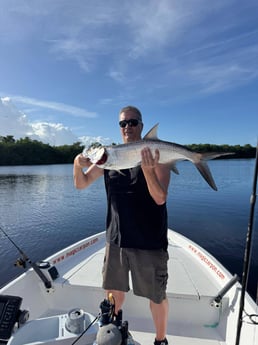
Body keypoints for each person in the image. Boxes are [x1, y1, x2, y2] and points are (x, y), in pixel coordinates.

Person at [73, 106, 171, 345]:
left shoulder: (158, 156)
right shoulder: (109, 157)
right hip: (116, 239)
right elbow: (82, 183)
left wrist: (147, 170)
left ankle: (160, 340)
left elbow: (160, 197)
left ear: (141, 125)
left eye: (133, 122)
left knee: (156, 297)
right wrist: (77, 164)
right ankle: (114, 329)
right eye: (123, 124)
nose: (127, 127)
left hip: (149, 241)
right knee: (114, 291)